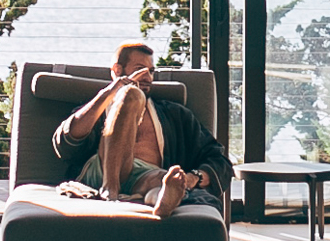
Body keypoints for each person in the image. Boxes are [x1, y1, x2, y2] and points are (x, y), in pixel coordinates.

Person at [53, 41, 231, 217]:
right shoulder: (96, 110)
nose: (147, 77)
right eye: (140, 69)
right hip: (99, 172)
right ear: (117, 70)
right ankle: (110, 187)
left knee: (162, 182)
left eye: (151, 71)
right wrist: (111, 92)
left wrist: (193, 177)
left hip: (145, 175)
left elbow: (218, 159)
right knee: (132, 95)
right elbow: (66, 143)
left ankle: (163, 201)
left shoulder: (174, 115)